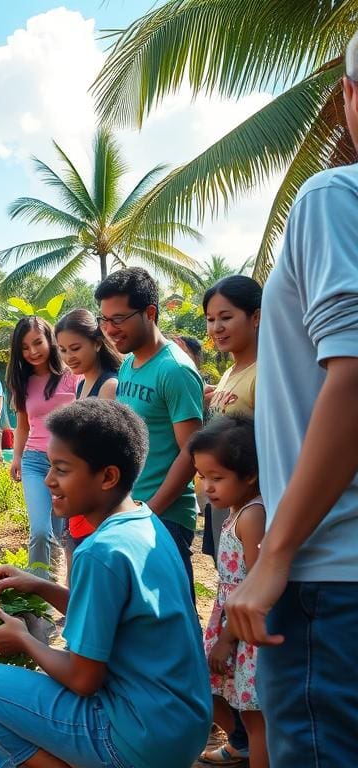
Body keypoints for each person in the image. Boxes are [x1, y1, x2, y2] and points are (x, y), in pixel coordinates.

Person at [226, 31, 358, 768]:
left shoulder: (335, 194)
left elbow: (355, 378)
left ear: (348, 98)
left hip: (328, 574)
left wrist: (274, 556)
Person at [0, 399, 211, 768]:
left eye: (61, 469)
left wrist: (24, 639)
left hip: (139, 739)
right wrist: (40, 585)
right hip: (183, 729)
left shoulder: (99, 552)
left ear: (107, 477)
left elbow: (83, 678)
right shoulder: (145, 522)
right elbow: (113, 616)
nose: (48, 480)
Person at [95, 267, 204, 603]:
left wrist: (151, 511)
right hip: (133, 509)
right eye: (104, 320)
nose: (110, 330)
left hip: (165, 517)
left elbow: (192, 452)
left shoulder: (175, 370)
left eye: (119, 319)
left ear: (150, 313)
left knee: (170, 616)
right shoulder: (128, 365)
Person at [198, 278, 261, 768]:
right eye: (211, 319)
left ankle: (249, 741)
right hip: (228, 519)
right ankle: (241, 738)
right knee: (220, 675)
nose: (216, 327)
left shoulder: (265, 373)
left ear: (256, 317)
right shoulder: (234, 372)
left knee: (253, 693)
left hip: (247, 517)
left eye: (227, 317)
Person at [188, 418, 267, 768]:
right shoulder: (235, 511)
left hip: (244, 629)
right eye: (202, 477)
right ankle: (241, 746)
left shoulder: (253, 516)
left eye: (217, 478)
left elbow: (257, 583)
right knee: (215, 687)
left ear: (249, 474)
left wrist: (228, 639)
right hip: (228, 620)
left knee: (256, 719)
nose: (207, 488)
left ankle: (253, 751)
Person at [54, 308, 121, 583]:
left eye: (75, 348)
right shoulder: (83, 384)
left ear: (96, 342)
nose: (69, 357)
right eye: (62, 350)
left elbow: (102, 448)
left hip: (97, 494)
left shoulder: (109, 385)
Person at [7, 317, 77, 574]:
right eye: (25, 347)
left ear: (50, 340)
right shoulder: (22, 382)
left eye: (38, 342)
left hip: (70, 465)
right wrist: (16, 457)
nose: (33, 352)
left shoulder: (73, 375)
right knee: (40, 531)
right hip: (35, 461)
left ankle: (53, 590)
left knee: (61, 533)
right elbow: (23, 425)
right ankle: (36, 596)